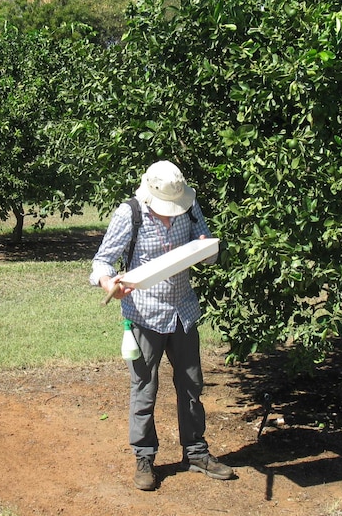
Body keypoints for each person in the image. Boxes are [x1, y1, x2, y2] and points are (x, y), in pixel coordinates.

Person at [90, 160, 234, 491]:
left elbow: (209, 249)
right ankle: (144, 457)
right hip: (144, 314)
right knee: (144, 386)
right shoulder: (130, 213)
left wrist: (205, 248)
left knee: (191, 383)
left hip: (183, 310)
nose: (172, 213)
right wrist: (109, 281)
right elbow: (101, 261)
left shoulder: (189, 204)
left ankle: (196, 452)